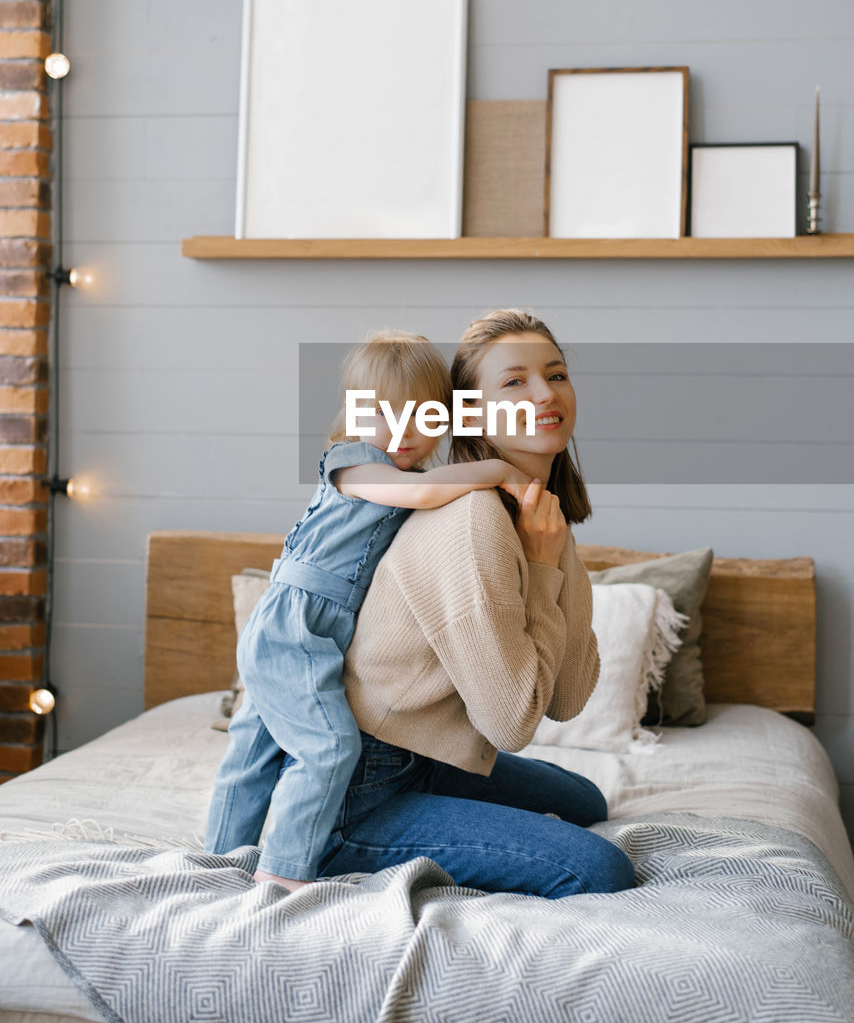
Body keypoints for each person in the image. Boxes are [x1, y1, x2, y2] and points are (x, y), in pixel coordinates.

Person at [308, 308, 635, 899]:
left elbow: (566, 698)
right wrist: (539, 569)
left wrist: (553, 555)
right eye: (515, 381)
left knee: (586, 801)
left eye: (556, 374)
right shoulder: (474, 518)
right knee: (600, 869)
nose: (545, 393)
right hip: (356, 787)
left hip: (428, 754)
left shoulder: (538, 514)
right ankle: (340, 846)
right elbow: (513, 724)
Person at [204, 330, 532, 891]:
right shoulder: (352, 463)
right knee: (328, 746)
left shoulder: (403, 480)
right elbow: (426, 494)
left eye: (424, 417)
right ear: (353, 413)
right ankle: (282, 873)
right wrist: (502, 471)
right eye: (382, 413)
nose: (402, 432)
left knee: (254, 750)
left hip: (310, 633)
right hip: (294, 627)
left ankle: (218, 859)